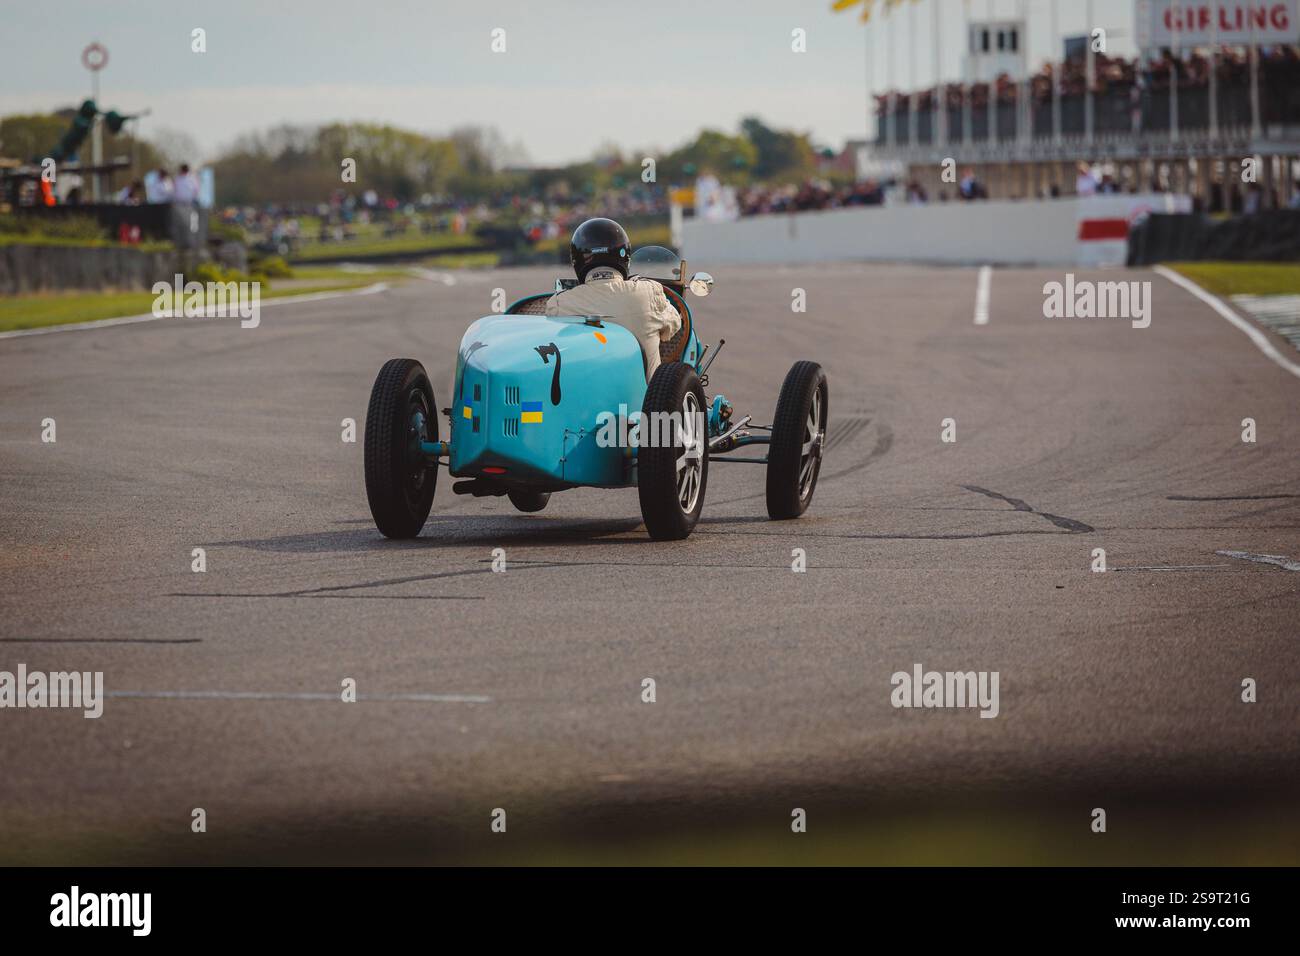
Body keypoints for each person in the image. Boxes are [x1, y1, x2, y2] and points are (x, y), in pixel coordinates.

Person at [546, 218, 682, 380]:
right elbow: (674, 325)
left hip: (586, 400)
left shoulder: (559, 303)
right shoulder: (648, 291)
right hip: (646, 402)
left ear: (577, 260)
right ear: (624, 255)